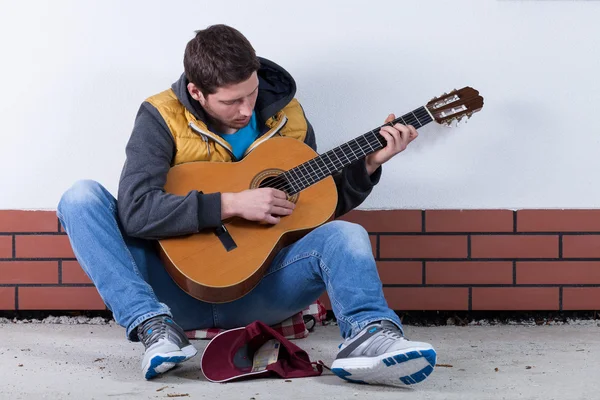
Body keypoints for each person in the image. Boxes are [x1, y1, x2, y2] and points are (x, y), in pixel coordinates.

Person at [57, 24, 436, 386]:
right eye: (231, 101)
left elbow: (314, 210)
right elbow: (137, 211)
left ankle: (370, 336)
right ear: (197, 92)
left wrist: (368, 165)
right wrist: (231, 204)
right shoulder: (161, 116)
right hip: (173, 293)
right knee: (80, 197)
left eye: (251, 94)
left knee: (346, 234)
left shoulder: (289, 118)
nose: (245, 109)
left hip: (264, 290)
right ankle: (153, 327)